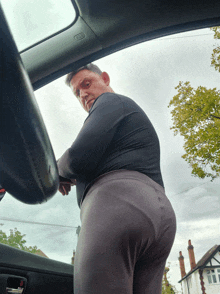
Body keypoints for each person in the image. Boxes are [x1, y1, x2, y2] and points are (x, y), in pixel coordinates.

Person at [57, 63, 176, 294]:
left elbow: (78, 157)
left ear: (105, 78)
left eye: (86, 84)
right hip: (161, 219)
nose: (83, 94)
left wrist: (54, 171)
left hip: (118, 206)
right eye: (77, 92)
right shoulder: (124, 114)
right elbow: (95, 159)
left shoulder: (110, 102)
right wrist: (70, 177)